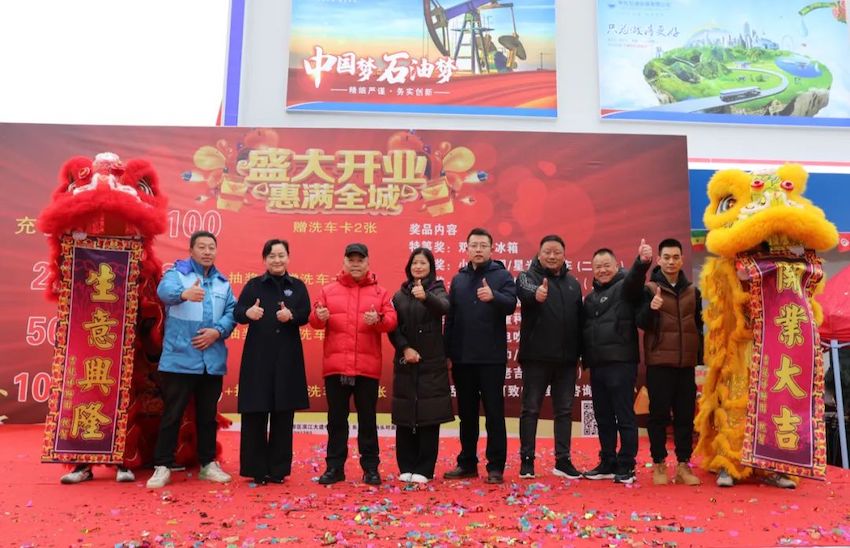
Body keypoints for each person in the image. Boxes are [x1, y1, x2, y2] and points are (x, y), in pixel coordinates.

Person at [146, 230, 236, 489]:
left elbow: (232, 311)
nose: (207, 252)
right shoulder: (177, 274)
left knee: (207, 416)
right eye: (202, 247)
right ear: (191, 250)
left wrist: (217, 331)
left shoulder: (222, 282)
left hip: (211, 360)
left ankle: (208, 464)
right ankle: (162, 465)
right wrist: (184, 294)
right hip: (180, 359)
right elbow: (164, 292)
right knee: (172, 414)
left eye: (211, 247)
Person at [309, 243, 397, 486]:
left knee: (367, 420)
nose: (355, 264)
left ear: (368, 262)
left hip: (366, 368)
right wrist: (319, 317)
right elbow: (314, 320)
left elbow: (391, 321)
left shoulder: (380, 293)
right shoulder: (328, 290)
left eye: (360, 260)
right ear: (344, 262)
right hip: (336, 366)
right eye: (351, 260)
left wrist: (378, 319)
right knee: (336, 420)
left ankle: (371, 468)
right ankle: (334, 468)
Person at [233, 239, 310, 484]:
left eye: (281, 255)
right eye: (272, 256)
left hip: (287, 359)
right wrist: (248, 313)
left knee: (283, 414)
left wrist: (292, 315)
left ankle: (278, 470)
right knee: (255, 412)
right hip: (258, 358)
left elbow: (306, 314)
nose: (277, 260)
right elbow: (237, 312)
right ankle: (255, 469)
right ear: (265, 259)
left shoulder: (297, 286)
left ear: (288, 257)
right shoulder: (254, 285)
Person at [444, 227, 517, 484]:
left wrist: (493, 296)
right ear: (467, 249)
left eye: (483, 245)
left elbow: (511, 305)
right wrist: (447, 352)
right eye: (473, 245)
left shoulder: (502, 275)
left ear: (491, 249)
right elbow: (451, 319)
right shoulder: (459, 279)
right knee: (467, 415)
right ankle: (467, 463)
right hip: (463, 359)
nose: (478, 249)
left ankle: (495, 466)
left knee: (494, 413)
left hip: (491, 359)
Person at [581, 240, 652, 485]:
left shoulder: (624, 287)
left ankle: (626, 464)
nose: (602, 270)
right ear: (592, 270)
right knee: (603, 417)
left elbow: (634, 280)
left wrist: (642, 262)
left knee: (624, 416)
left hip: (621, 363)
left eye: (606, 265)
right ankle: (607, 461)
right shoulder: (589, 299)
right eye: (598, 267)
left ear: (616, 265)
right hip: (597, 365)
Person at [516, 235, 584, 480]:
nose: (552, 256)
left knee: (564, 411)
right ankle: (527, 461)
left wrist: (580, 354)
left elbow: (580, 321)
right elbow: (524, 291)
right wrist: (537, 293)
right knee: (531, 409)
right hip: (536, 358)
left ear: (564, 255)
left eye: (557, 252)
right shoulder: (527, 277)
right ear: (539, 253)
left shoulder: (573, 283)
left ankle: (563, 461)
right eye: (548, 252)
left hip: (566, 361)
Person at [636, 238, 703, 486]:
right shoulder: (649, 289)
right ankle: (659, 463)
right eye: (666, 257)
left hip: (685, 365)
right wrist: (651, 308)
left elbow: (698, 327)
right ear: (659, 259)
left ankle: (684, 465)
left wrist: (699, 359)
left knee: (685, 416)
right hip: (659, 363)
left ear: (682, 260)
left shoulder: (693, 291)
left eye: (676, 257)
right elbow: (641, 322)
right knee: (658, 416)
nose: (671, 262)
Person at [388, 248, 454, 484]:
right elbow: (393, 328)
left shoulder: (437, 289)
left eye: (423, 263)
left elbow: (444, 308)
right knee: (405, 414)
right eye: (414, 263)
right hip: (406, 362)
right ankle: (406, 465)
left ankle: (425, 468)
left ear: (431, 267)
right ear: (409, 267)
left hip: (431, 364)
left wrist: (425, 296)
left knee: (429, 417)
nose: (418, 267)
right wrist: (405, 348)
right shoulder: (399, 295)